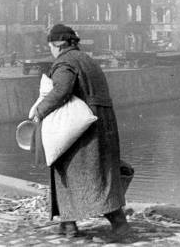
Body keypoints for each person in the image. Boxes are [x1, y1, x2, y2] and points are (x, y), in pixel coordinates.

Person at [29, 24, 130, 238]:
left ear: (57, 45)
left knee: (70, 169)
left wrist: (39, 111)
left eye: (50, 46)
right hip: (102, 122)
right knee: (101, 174)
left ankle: (117, 224)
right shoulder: (87, 59)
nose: (50, 50)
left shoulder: (64, 62)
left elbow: (61, 90)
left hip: (81, 128)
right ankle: (68, 224)